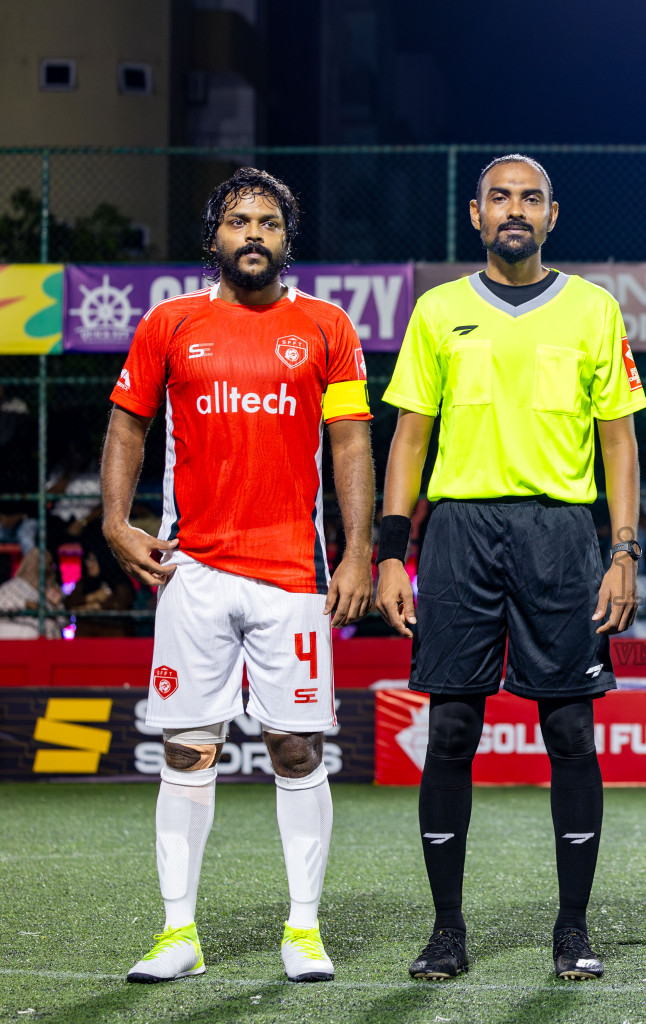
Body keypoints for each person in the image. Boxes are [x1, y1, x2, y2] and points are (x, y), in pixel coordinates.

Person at [375, 154, 646, 983]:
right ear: (475, 213)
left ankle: (572, 929)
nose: (515, 210)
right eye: (500, 198)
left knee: (569, 729)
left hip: (561, 533)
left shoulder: (595, 310)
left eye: (530, 198)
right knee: (452, 726)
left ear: (553, 216)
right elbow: (409, 440)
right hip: (458, 531)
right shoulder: (438, 310)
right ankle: (447, 931)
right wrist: (392, 553)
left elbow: (619, 440)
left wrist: (623, 549)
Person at [102, 168, 375, 984]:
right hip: (193, 572)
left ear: (287, 239)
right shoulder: (170, 322)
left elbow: (354, 443)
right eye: (237, 221)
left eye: (267, 222)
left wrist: (358, 550)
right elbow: (128, 425)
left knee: (296, 749)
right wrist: (117, 523)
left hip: (294, 572)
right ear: (214, 236)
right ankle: (177, 934)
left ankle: (304, 929)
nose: (252, 233)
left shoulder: (328, 327)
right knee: (188, 751)